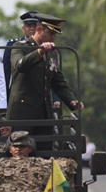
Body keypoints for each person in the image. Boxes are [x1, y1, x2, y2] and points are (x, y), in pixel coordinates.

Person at [6, 12, 83, 151]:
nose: (54, 37)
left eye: (55, 34)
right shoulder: (20, 46)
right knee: (21, 151)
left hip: (44, 111)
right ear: (40, 30)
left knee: (45, 150)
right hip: (23, 112)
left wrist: (71, 100)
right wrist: (39, 52)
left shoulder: (52, 53)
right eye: (51, 33)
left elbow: (58, 80)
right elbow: (19, 65)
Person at [3, 11, 39, 100]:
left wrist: (55, 99)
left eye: (34, 26)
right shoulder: (13, 44)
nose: (32, 29)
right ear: (23, 28)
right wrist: (5, 97)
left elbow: (53, 72)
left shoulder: (45, 46)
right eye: (29, 25)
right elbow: (6, 73)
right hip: (18, 92)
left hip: (39, 91)